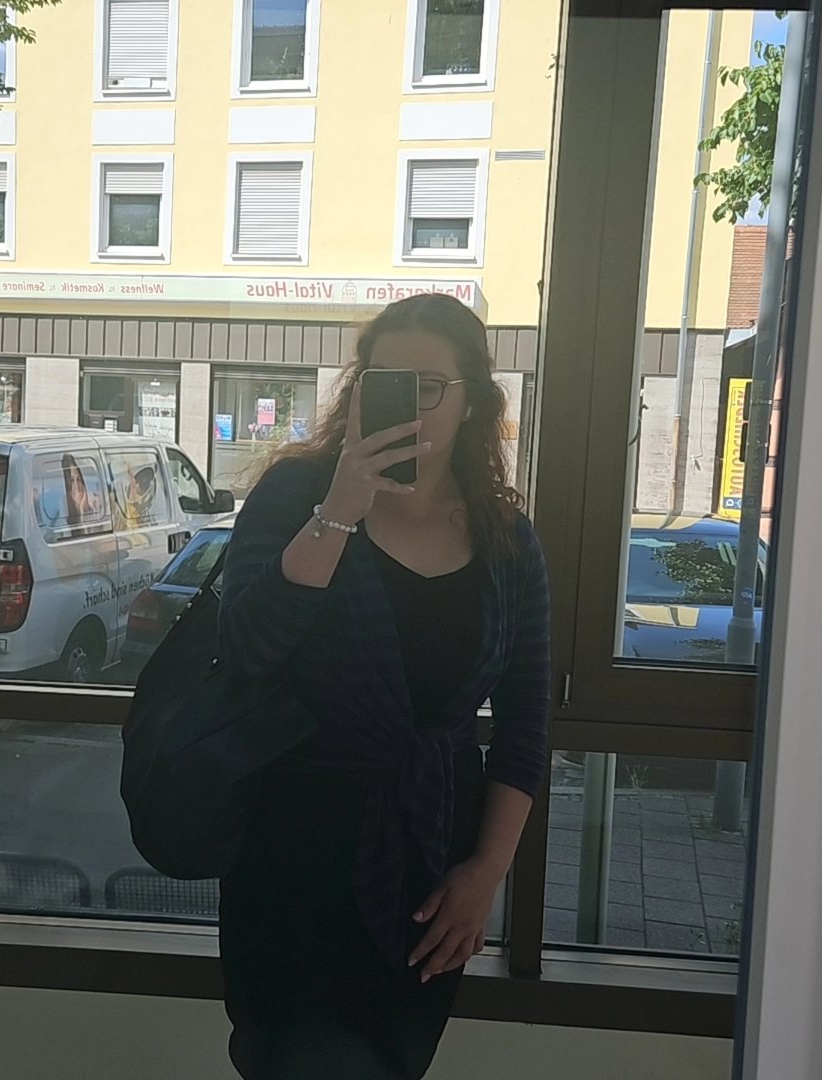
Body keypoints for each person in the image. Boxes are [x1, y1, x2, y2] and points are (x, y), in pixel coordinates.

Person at [217, 293, 551, 1080]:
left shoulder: (505, 539)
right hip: (291, 849)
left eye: (430, 385)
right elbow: (248, 650)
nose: (409, 403)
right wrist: (339, 512)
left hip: (432, 858)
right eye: (385, 380)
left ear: (473, 402)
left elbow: (526, 722)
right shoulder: (296, 495)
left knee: (393, 1063)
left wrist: (485, 875)